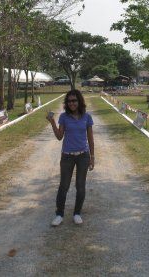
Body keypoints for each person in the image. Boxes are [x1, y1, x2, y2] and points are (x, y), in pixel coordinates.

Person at [47, 89, 95, 226]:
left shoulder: (87, 117)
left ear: (79, 101)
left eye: (74, 100)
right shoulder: (63, 117)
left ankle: (77, 213)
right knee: (64, 186)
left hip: (83, 156)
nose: (72, 103)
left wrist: (92, 156)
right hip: (67, 156)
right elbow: (59, 137)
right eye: (69, 101)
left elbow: (91, 139)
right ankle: (59, 214)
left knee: (80, 186)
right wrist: (52, 122)